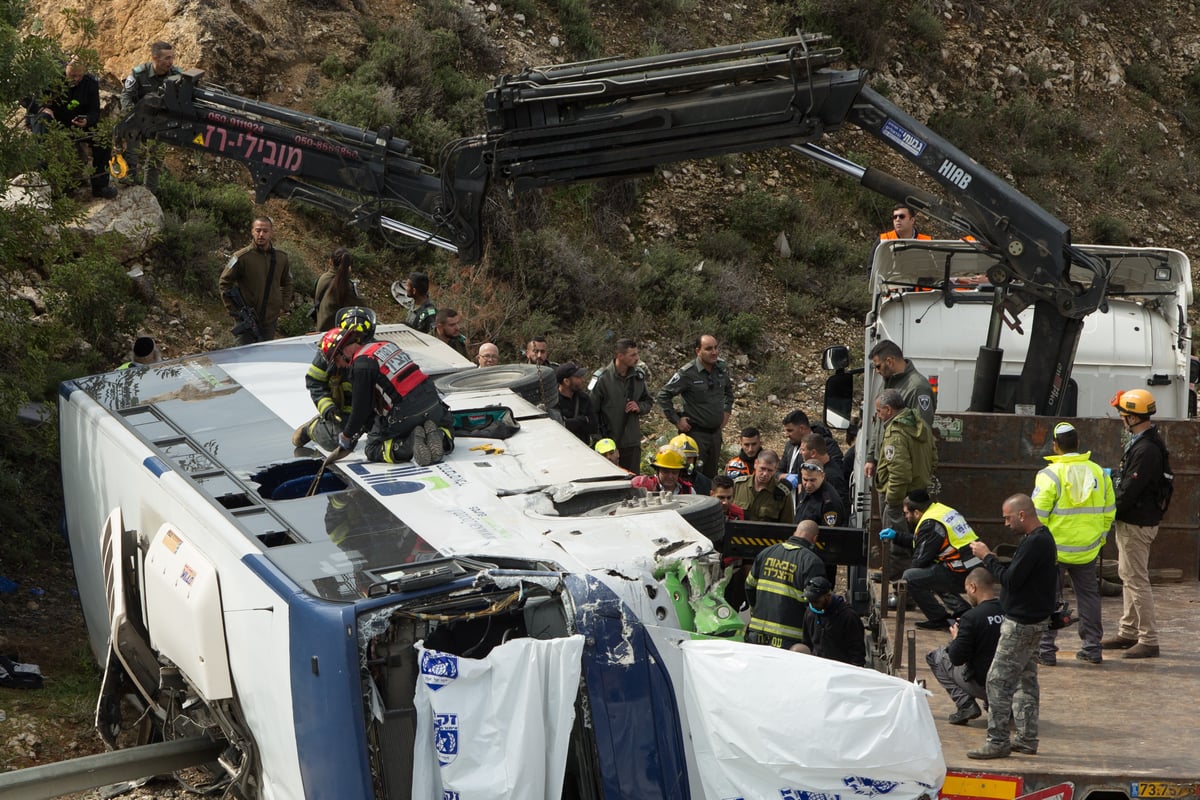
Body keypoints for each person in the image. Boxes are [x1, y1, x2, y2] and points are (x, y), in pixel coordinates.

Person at [965, 494, 1058, 760]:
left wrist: (987, 558)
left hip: (1021, 624)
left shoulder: (1035, 543)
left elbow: (1011, 580)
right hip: (1035, 621)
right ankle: (1027, 738)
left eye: (1007, 517)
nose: (1005, 523)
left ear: (1021, 514)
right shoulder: (1042, 539)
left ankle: (997, 741)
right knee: (1025, 680)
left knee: (997, 681)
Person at [1031, 421, 1115, 665]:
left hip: (1053, 550)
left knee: (1048, 597)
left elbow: (1039, 515)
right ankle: (1092, 648)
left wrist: (1037, 546)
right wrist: (1100, 538)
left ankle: (1046, 651)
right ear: (1078, 444)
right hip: (1088, 549)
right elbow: (1109, 510)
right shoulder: (1099, 472)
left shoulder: (1049, 475)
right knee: (1089, 597)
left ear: (1055, 446)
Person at [1102, 389, 1172, 660]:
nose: (1120, 417)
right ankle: (1128, 632)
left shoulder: (1145, 449)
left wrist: (1107, 513)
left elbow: (1130, 490)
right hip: (1135, 521)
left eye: (1123, 413)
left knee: (1136, 580)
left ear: (1133, 417)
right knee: (1128, 577)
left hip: (1136, 523)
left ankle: (1148, 639)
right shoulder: (1143, 443)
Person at [326, 326, 454, 465]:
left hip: (406, 412)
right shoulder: (385, 345)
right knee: (447, 426)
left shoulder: (361, 365)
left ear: (344, 350)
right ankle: (442, 438)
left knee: (372, 448)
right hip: (433, 402)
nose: (338, 366)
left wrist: (347, 435)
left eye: (336, 360)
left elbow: (361, 409)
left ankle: (409, 444)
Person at [883, 489, 979, 630]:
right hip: (971, 568)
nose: (906, 517)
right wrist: (896, 536)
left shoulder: (930, 524)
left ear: (916, 512)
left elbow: (919, 561)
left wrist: (901, 586)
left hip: (963, 571)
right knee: (933, 572)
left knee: (912, 577)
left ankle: (939, 619)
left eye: (906, 513)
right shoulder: (939, 511)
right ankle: (962, 610)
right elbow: (922, 542)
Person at [25, 58, 116, 199]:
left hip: (74, 123)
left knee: (102, 136)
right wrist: (41, 108)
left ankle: (100, 186)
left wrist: (86, 121)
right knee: (42, 123)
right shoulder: (50, 76)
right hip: (50, 119)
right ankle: (45, 187)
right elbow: (25, 97)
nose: (76, 79)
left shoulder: (90, 83)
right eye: (73, 75)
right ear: (66, 70)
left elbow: (94, 112)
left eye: (80, 76)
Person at [925, 568, 1004, 725]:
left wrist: (957, 638)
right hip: (1009, 682)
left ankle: (965, 705)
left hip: (984, 682)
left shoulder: (972, 617)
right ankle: (998, 706)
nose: (967, 595)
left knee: (937, 657)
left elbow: (957, 658)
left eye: (967, 590)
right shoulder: (1009, 610)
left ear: (973, 587)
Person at [873, 388, 937, 579]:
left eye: (879, 411)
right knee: (914, 536)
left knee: (895, 536)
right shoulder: (920, 424)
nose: (878, 415)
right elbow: (934, 456)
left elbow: (899, 472)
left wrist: (892, 500)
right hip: (918, 491)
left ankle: (896, 571)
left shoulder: (896, 431)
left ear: (889, 410)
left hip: (899, 495)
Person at [293, 307, 376, 449]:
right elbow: (315, 382)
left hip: (369, 409)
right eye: (350, 339)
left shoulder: (376, 350)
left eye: (360, 339)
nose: (355, 343)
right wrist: (328, 409)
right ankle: (313, 428)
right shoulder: (329, 353)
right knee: (336, 442)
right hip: (342, 411)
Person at [656, 334, 733, 480]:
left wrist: (726, 412)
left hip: (715, 434)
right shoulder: (688, 373)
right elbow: (663, 395)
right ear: (698, 351)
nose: (714, 352)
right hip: (695, 435)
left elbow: (729, 393)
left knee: (711, 479)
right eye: (709, 349)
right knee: (692, 476)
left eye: (716, 348)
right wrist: (677, 420)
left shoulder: (721, 369)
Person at [744, 520, 826, 650]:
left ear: (794, 533)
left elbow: (749, 586)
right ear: (815, 539)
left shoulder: (766, 553)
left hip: (758, 632)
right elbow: (815, 602)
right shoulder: (812, 562)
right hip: (789, 637)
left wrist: (756, 610)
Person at [863, 340, 935, 484]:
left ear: (889, 361)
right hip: (886, 467)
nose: (877, 371)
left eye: (878, 366)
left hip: (903, 473)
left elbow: (921, 433)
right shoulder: (887, 383)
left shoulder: (917, 388)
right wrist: (871, 457)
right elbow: (879, 424)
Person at [218, 216, 294, 345]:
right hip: (246, 321)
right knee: (242, 359)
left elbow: (288, 282)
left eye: (265, 231)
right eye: (258, 230)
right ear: (252, 231)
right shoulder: (241, 257)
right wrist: (234, 310)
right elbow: (224, 283)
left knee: (264, 359)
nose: (261, 234)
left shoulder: (281, 258)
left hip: (270, 321)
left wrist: (284, 306)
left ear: (271, 233)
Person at [118, 41, 181, 190]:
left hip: (160, 123)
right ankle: (128, 186)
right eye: (167, 58)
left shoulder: (177, 75)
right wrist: (131, 115)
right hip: (138, 120)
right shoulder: (139, 73)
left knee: (155, 160)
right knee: (131, 154)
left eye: (172, 57)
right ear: (155, 58)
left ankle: (150, 193)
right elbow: (126, 96)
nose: (170, 62)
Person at [589, 338, 653, 473]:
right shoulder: (603, 379)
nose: (637, 358)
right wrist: (599, 441)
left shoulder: (638, 376)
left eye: (637, 354)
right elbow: (591, 412)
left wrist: (639, 407)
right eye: (633, 355)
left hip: (632, 442)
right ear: (620, 356)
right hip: (608, 445)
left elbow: (648, 401)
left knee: (633, 482)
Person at [802, 576, 866, 666]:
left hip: (841, 670)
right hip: (818, 668)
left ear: (828, 595)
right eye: (810, 601)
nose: (812, 604)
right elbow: (807, 643)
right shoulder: (810, 613)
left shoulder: (848, 616)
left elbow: (857, 654)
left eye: (816, 601)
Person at [780, 409, 845, 483]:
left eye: (790, 431)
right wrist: (784, 477)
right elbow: (778, 470)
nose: (786, 435)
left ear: (802, 428)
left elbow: (836, 472)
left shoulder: (826, 443)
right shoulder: (790, 446)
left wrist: (805, 480)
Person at [731, 449, 794, 524]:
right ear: (755, 464)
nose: (765, 474)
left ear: (776, 469)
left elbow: (786, 525)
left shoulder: (783, 493)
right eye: (762, 468)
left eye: (770, 470)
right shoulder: (738, 485)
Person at [313, 247, 360, 331]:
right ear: (348, 266)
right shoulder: (345, 286)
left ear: (330, 262)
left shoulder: (323, 278)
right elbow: (359, 308)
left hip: (321, 330)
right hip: (336, 335)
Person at [552, 362, 597, 443]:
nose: (583, 380)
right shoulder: (553, 401)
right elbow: (558, 427)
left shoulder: (584, 399)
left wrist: (570, 423)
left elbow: (593, 426)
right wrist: (582, 420)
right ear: (566, 381)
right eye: (578, 377)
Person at [794, 462, 846, 528]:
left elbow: (829, 533)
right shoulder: (808, 489)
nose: (808, 485)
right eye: (805, 480)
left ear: (823, 476)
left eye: (812, 480)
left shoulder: (829, 503)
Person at [800, 433, 848, 503]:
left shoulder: (832, 476)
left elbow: (838, 505)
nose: (800, 453)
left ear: (813, 453)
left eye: (803, 450)